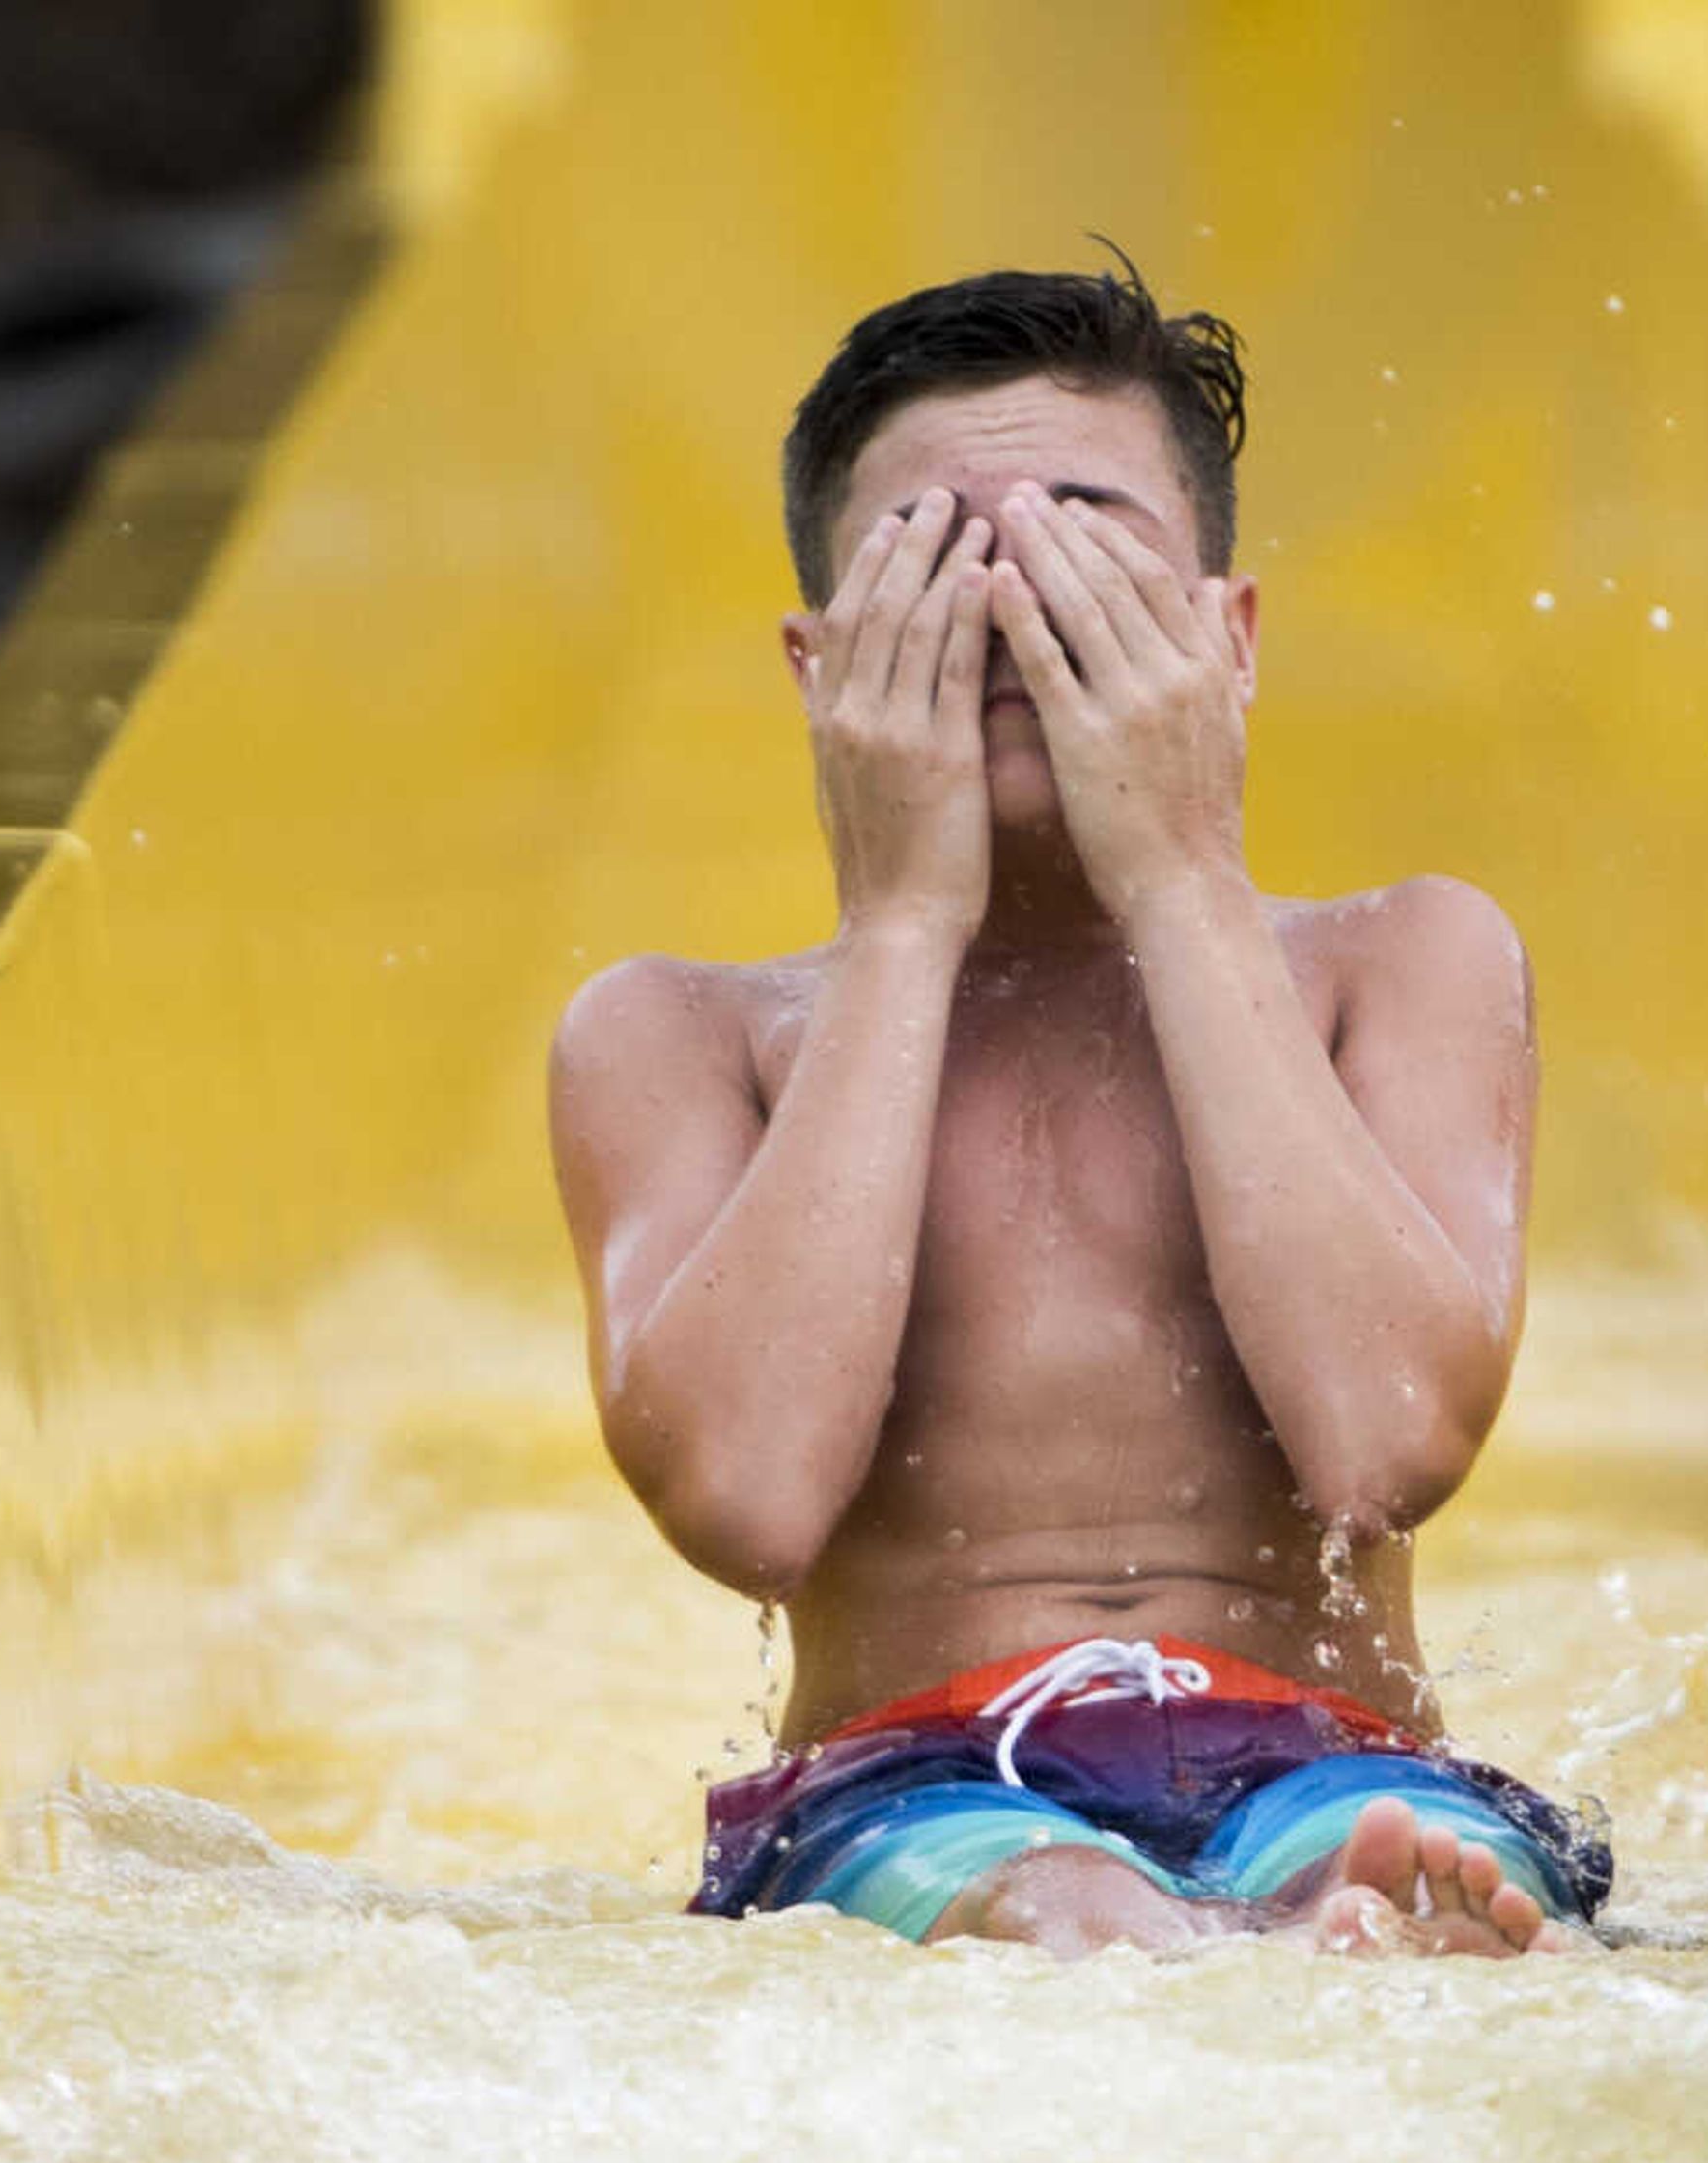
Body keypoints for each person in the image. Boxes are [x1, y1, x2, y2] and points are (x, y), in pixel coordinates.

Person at [548, 262, 1607, 1958]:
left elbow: (1387, 1439)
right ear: (821, 671)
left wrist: (1184, 867)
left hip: (1338, 1756)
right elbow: (748, 1501)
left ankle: (1330, 1939)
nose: (1007, 611)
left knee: (1398, 1887)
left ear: (1225, 638)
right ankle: (1202, 1949)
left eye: (1081, 545)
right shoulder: (678, 1034)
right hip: (904, 1780)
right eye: (931, 560)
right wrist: (900, 914)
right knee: (1070, 1915)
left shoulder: (1400, 961)